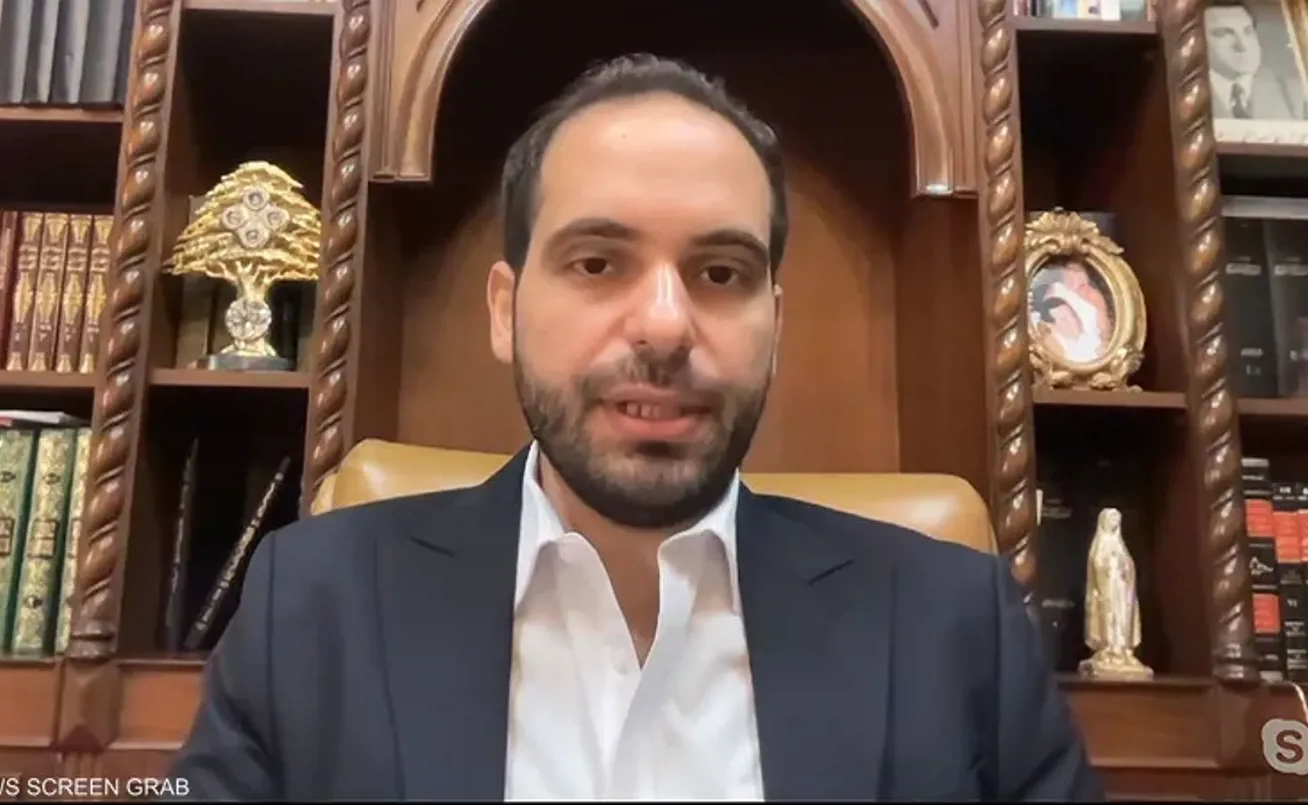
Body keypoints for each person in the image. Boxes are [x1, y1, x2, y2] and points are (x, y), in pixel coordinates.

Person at [167, 54, 1103, 801]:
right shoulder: (310, 608)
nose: (663, 325)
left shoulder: (958, 627)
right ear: (505, 310)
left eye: (721, 274)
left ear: (775, 323)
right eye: (597, 262)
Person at [1204, 0, 1308, 120]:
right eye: (1223, 34)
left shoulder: (1294, 92)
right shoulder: (1192, 93)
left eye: (1248, 31)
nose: (1242, 45)